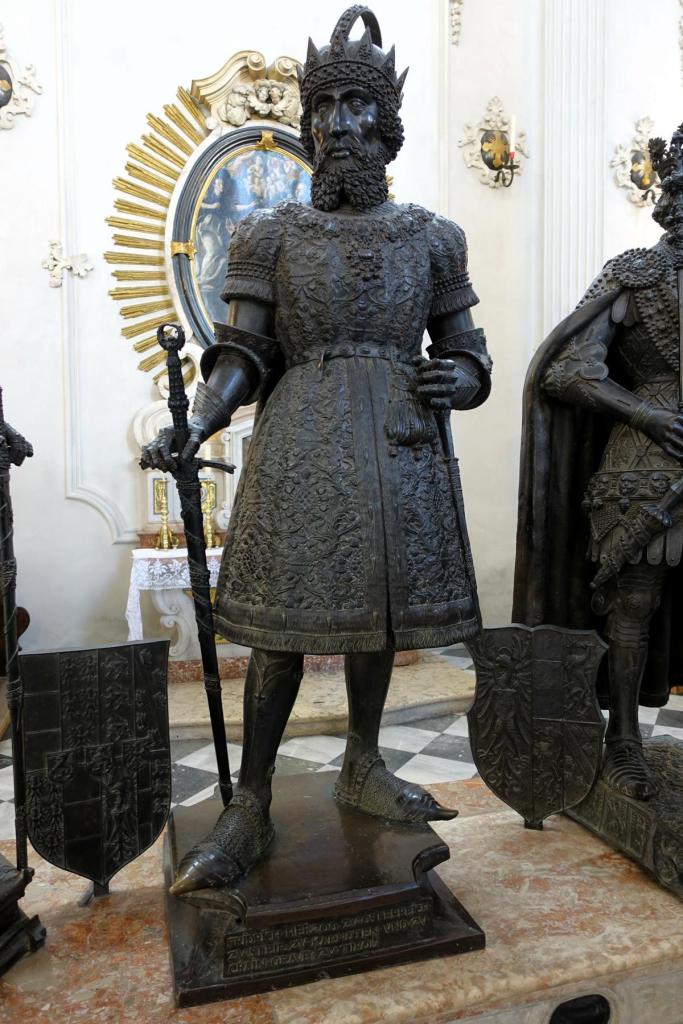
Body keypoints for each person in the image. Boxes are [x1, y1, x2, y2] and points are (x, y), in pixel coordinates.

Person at [142, 4, 492, 895]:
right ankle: (250, 799)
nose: (338, 121)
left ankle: (364, 761)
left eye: (355, 105)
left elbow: (464, 350)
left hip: (401, 444)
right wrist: (199, 420)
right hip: (303, 439)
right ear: (308, 122)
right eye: (325, 105)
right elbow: (243, 356)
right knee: (285, 628)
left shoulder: (432, 236)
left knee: (380, 611)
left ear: (387, 125)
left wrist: (462, 377)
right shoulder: (271, 235)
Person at [514, 124, 683, 802]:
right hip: (643, 459)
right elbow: (566, 369)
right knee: (631, 604)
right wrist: (643, 412)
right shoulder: (633, 273)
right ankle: (622, 742)